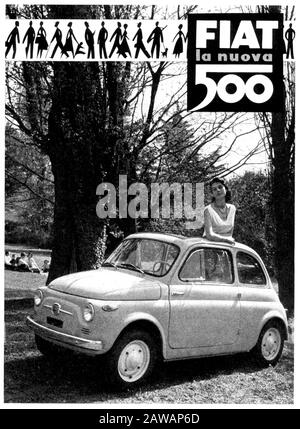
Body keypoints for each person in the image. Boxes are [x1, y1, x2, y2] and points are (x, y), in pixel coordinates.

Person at [203, 178, 236, 244]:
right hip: (210, 246)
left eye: (220, 187)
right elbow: (209, 235)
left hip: (226, 248)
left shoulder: (232, 209)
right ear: (212, 194)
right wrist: (226, 240)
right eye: (214, 189)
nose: (218, 190)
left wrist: (228, 241)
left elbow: (230, 233)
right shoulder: (208, 210)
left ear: (226, 189)